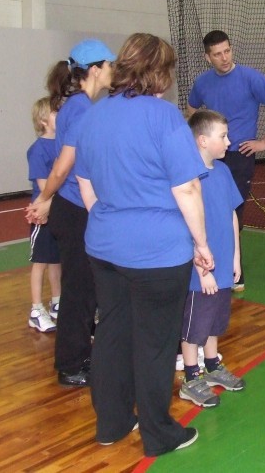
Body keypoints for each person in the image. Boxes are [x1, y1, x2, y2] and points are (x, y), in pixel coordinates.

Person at [75, 33, 211, 455]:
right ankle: (159, 434)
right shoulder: (164, 116)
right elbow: (187, 187)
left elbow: (85, 182)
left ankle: (112, 423)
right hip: (157, 254)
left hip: (105, 248)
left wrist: (111, 221)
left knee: (112, 333)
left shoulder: (94, 115)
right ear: (160, 73)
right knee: (155, 343)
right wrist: (202, 243)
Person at [25, 39, 116, 386]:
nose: (113, 70)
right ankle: (70, 365)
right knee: (79, 291)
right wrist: (45, 197)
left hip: (75, 207)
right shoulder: (80, 109)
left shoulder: (78, 106)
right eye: (109, 65)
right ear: (94, 70)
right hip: (76, 211)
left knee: (85, 289)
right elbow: (64, 166)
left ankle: (79, 355)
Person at [186, 30, 265, 291]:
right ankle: (205, 264)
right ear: (207, 57)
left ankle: (234, 270)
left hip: (239, 156)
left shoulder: (250, 77)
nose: (224, 58)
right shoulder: (202, 82)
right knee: (206, 208)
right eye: (217, 54)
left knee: (234, 212)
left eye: (227, 51)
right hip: (210, 158)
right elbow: (191, 112)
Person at [179, 109, 245, 408]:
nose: (229, 142)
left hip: (222, 264)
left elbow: (231, 214)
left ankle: (212, 366)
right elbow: (185, 225)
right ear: (203, 140)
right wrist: (201, 270)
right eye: (223, 136)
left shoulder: (223, 171)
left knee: (216, 321)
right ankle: (191, 377)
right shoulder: (187, 177)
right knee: (195, 326)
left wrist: (236, 257)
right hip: (200, 270)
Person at [25, 97, 61, 333]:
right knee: (41, 262)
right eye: (55, 113)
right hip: (43, 213)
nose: (60, 116)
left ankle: (57, 302)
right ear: (43, 120)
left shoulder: (63, 145)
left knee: (57, 260)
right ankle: (36, 310)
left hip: (58, 211)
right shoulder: (38, 150)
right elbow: (44, 185)